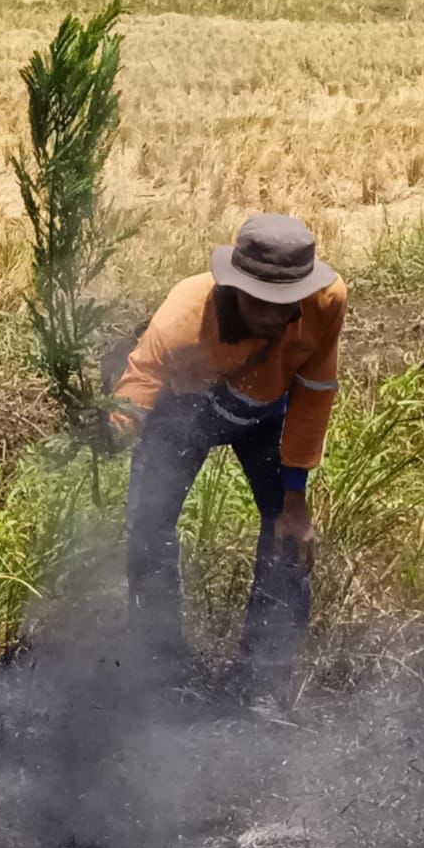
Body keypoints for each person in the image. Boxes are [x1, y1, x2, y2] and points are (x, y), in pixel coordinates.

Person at [107, 213, 345, 693]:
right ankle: (162, 670)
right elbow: (137, 386)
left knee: (288, 538)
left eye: (289, 302)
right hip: (184, 411)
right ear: (235, 286)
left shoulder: (326, 300)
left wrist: (294, 501)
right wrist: (112, 428)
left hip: (267, 413)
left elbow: (315, 389)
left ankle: (265, 680)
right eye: (267, 304)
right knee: (148, 526)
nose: (281, 315)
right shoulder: (182, 316)